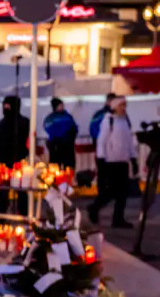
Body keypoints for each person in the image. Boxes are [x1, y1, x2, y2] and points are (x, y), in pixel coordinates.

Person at [89, 95, 137, 228]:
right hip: (110, 161)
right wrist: (101, 158)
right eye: (122, 105)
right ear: (115, 107)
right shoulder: (108, 120)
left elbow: (129, 141)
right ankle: (95, 207)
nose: (124, 108)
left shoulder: (125, 121)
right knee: (114, 190)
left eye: (125, 105)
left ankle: (118, 218)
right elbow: (101, 141)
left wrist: (133, 158)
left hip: (122, 161)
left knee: (123, 192)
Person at [0, 95, 30, 216]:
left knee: (20, 190)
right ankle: (3, 214)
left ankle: (20, 214)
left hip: (18, 161)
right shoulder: (1, 124)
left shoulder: (23, 122)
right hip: (6, 161)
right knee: (5, 190)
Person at [44, 97, 78, 171]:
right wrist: (61, 134)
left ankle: (68, 179)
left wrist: (71, 135)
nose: (62, 107)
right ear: (55, 106)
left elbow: (74, 127)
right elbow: (49, 129)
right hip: (56, 144)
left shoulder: (68, 116)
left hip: (68, 144)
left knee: (69, 164)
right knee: (55, 165)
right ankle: (55, 180)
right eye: (60, 105)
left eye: (62, 105)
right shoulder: (51, 118)